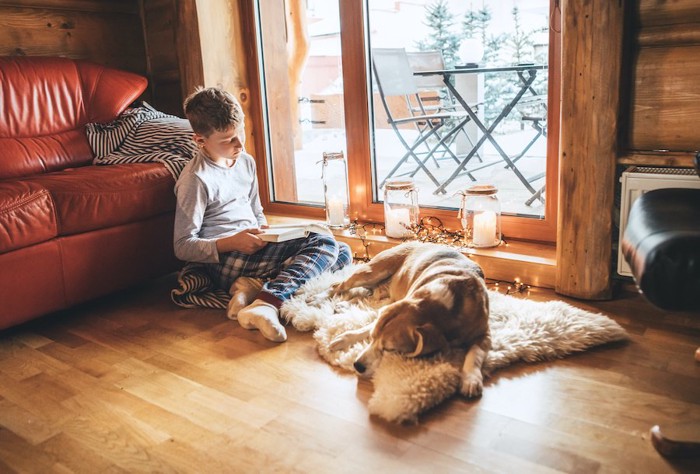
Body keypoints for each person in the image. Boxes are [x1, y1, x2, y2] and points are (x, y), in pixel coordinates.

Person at [174, 87, 352, 342]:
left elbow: (256, 211)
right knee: (323, 243)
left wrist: (269, 234)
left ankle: (253, 289)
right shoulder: (195, 180)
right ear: (200, 140)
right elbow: (182, 246)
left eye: (241, 133)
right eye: (228, 140)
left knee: (342, 250)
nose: (240, 144)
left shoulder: (245, 161)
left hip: (253, 251)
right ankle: (267, 302)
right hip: (224, 259)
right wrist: (233, 242)